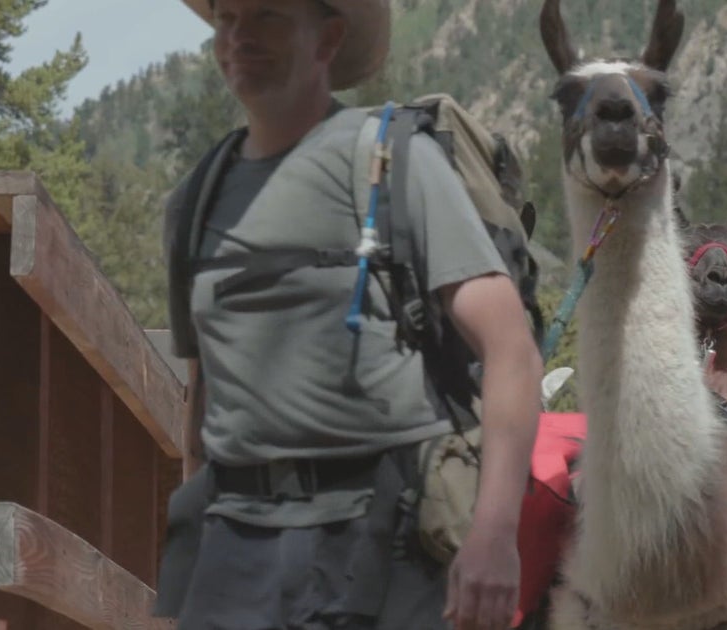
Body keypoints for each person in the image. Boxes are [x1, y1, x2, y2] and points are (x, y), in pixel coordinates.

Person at [153, 1, 544, 629]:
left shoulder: (393, 161)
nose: (239, 37)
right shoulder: (196, 199)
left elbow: (511, 352)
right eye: (227, 18)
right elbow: (203, 395)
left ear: (328, 39)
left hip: (382, 537)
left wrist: (494, 535)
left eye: (267, 15)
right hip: (234, 548)